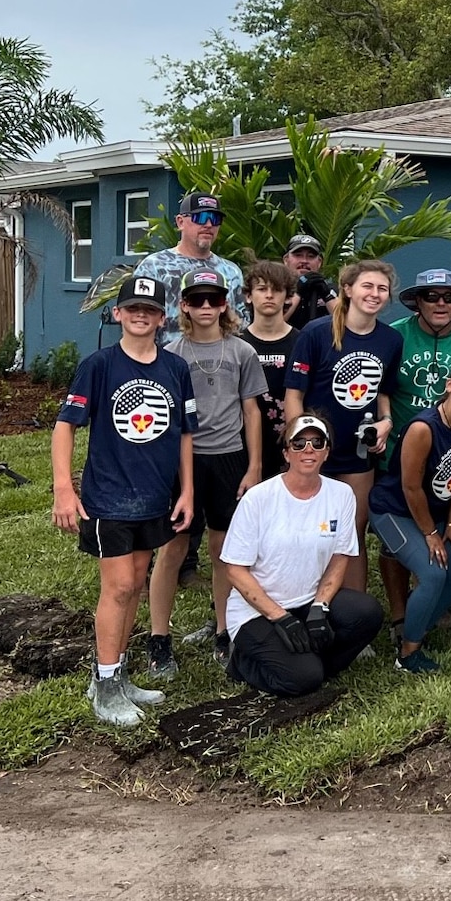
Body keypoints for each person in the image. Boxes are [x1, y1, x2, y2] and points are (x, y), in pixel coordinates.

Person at [50, 273, 195, 726]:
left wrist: (187, 489)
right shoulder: (99, 365)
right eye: (132, 308)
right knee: (116, 587)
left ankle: (116, 671)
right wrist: (63, 489)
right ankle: (105, 687)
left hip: (154, 496)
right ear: (117, 314)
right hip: (108, 498)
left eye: (150, 310)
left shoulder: (175, 369)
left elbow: (186, 435)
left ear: (163, 318)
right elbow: (64, 426)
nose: (140, 315)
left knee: (135, 580)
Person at [219, 414, 385, 697]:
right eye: (299, 443)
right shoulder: (258, 499)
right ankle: (242, 663)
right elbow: (234, 570)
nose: (308, 449)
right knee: (303, 680)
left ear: (326, 452)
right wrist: (279, 616)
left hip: (307, 599)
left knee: (367, 613)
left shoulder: (342, 494)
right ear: (286, 452)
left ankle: (312, 663)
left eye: (317, 442)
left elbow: (340, 556)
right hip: (256, 611)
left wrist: (320, 605)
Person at [154, 265, 264, 676]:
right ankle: (158, 638)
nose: (205, 306)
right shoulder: (172, 355)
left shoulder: (241, 352)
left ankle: (223, 630)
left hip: (229, 457)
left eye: (214, 299)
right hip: (184, 461)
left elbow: (251, 412)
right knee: (174, 547)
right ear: (183, 305)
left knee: (224, 549)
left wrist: (253, 467)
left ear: (226, 304)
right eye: (196, 299)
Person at [283, 260, 402, 601]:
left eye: (382, 288)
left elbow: (383, 391)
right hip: (314, 452)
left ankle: (353, 614)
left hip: (358, 455)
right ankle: (301, 605)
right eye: (367, 286)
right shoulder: (317, 333)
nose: (375, 294)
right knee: (306, 532)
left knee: (352, 533)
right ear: (348, 289)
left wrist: (386, 422)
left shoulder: (390, 339)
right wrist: (301, 443)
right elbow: (294, 393)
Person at [368, 356, 451, 674]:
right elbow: (410, 488)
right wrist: (431, 534)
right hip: (393, 510)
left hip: (434, 514)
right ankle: (407, 654)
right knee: (433, 573)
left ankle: (414, 628)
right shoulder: (424, 427)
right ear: (449, 385)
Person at [387, 270, 451, 450]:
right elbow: (381, 391)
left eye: (449, 297)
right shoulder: (395, 335)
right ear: (418, 301)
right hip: (396, 450)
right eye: (431, 297)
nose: (441, 303)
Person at [134, 191, 246, 340]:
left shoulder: (231, 272)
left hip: (218, 360)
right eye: (200, 217)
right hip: (165, 359)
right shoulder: (153, 267)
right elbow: (137, 322)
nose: (208, 225)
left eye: (215, 219)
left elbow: (240, 326)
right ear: (180, 222)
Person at [241, 259, 300, 506]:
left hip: (290, 445)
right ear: (248, 296)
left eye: (276, 290)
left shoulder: (302, 341)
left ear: (288, 296)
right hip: (242, 447)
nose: (269, 295)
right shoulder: (236, 343)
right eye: (262, 288)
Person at [283, 234, 335, 329]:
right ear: (286, 260)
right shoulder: (277, 289)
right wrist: (297, 292)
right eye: (298, 255)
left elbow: (348, 324)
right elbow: (274, 324)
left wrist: (327, 295)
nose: (304, 261)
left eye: (311, 256)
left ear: (319, 262)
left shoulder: (331, 289)